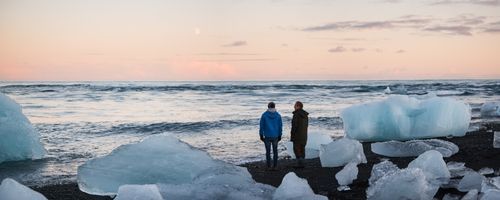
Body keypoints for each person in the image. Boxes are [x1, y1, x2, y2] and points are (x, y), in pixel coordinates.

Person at [259, 102, 283, 170]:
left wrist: (261, 135)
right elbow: (280, 126)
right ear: (274, 107)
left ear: (268, 107)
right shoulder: (278, 115)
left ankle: (269, 166)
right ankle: (275, 166)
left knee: (268, 152)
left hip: (267, 136)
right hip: (275, 135)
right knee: (275, 151)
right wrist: (280, 135)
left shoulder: (264, 115)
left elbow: (261, 126)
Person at [291, 101, 308, 168]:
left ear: (298, 106)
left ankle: (300, 164)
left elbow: (294, 126)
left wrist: (292, 135)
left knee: (296, 149)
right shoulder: (305, 115)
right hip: (304, 135)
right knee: (302, 149)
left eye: (295, 105)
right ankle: (303, 163)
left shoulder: (296, 114)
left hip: (297, 136)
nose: (294, 106)